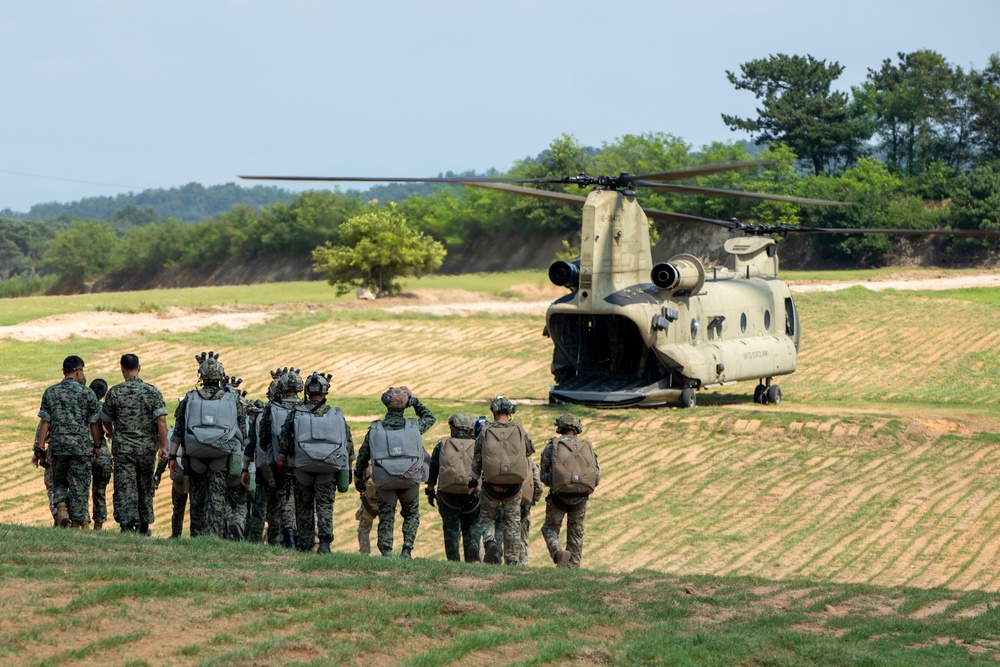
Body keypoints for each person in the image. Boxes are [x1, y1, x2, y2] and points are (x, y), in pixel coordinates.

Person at [168, 351, 246, 538]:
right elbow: (243, 431)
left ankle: (197, 535)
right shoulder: (232, 400)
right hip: (221, 452)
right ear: (221, 376)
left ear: (201, 376)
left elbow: (179, 431)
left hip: (195, 455)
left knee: (196, 497)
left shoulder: (190, 398)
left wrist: (172, 457)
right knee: (217, 497)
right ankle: (215, 536)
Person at [354, 386, 435, 558]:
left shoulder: (375, 430)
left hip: (385, 481)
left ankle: (387, 553)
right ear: (405, 405)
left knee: (386, 517)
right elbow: (430, 417)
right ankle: (406, 549)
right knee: (412, 514)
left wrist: (358, 474)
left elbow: (362, 456)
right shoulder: (414, 426)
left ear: (386, 403)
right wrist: (414, 401)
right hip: (410, 480)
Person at [277, 372, 353, 554]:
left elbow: (284, 441)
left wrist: (281, 465)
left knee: (304, 507)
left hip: (302, 468)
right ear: (325, 391)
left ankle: (305, 544)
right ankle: (325, 542)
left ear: (307, 391)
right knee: (325, 505)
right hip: (328, 467)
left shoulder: (296, 413)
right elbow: (348, 443)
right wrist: (348, 468)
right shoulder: (336, 414)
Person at [101, 354, 168, 534]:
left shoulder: (115, 392)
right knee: (145, 485)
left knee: (125, 485)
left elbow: (105, 420)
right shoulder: (152, 392)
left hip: (123, 449)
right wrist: (163, 446)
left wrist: (114, 434)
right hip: (146, 449)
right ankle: (144, 524)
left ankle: (127, 524)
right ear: (139, 368)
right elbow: (161, 420)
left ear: (122, 369)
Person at [36, 355, 103, 528]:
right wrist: (96, 446)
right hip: (81, 448)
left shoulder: (51, 392)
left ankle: (62, 507)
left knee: (59, 481)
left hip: (58, 447)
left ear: (64, 372)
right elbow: (94, 423)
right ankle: (77, 523)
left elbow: (45, 422)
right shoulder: (88, 393)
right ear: (79, 372)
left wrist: (41, 446)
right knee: (79, 486)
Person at [470, 396, 533, 565]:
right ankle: (512, 560)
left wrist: (473, 479)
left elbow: (477, 459)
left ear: (493, 412)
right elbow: (529, 451)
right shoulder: (520, 430)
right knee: (513, 521)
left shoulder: (485, 431)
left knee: (487, 516)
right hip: (514, 485)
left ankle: (491, 542)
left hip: (492, 484)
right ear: (510, 412)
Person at [242, 369, 301, 548]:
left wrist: (246, 467)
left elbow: (254, 442)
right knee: (287, 504)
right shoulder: (304, 410)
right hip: (296, 465)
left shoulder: (263, 413)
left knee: (261, 506)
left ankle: (253, 543)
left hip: (267, 466)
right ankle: (278, 541)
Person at [540, 413, 600, 568]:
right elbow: (596, 477)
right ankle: (572, 569)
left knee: (549, 529)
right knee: (576, 534)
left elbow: (543, 476)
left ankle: (557, 552)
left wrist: (557, 481)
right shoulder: (586, 447)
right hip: (580, 498)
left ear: (560, 427)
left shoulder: (552, 446)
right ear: (577, 428)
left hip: (558, 497)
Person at [426, 412, 482, 562]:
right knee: (472, 525)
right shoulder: (477, 445)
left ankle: (453, 560)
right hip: (472, 494)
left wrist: (430, 491)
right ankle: (473, 549)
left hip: (448, 495)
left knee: (450, 529)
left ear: (453, 426)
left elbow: (433, 469)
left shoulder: (442, 445)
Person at [89, 379, 113, 531]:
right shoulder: (103, 409)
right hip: (102, 453)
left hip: (84, 450)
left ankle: (81, 521)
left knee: (80, 489)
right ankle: (98, 524)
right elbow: (109, 430)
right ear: (104, 394)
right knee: (99, 490)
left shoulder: (83, 406)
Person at [518, 458, 544, 564]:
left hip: (502, 504)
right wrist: (534, 499)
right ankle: (522, 565)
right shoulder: (530, 462)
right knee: (522, 540)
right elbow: (539, 487)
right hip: (523, 507)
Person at [354, 461, 378, 555]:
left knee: (364, 528)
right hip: (387, 498)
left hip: (369, 501)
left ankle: (364, 553)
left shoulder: (365, 461)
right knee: (387, 525)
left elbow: (358, 484)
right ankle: (386, 552)